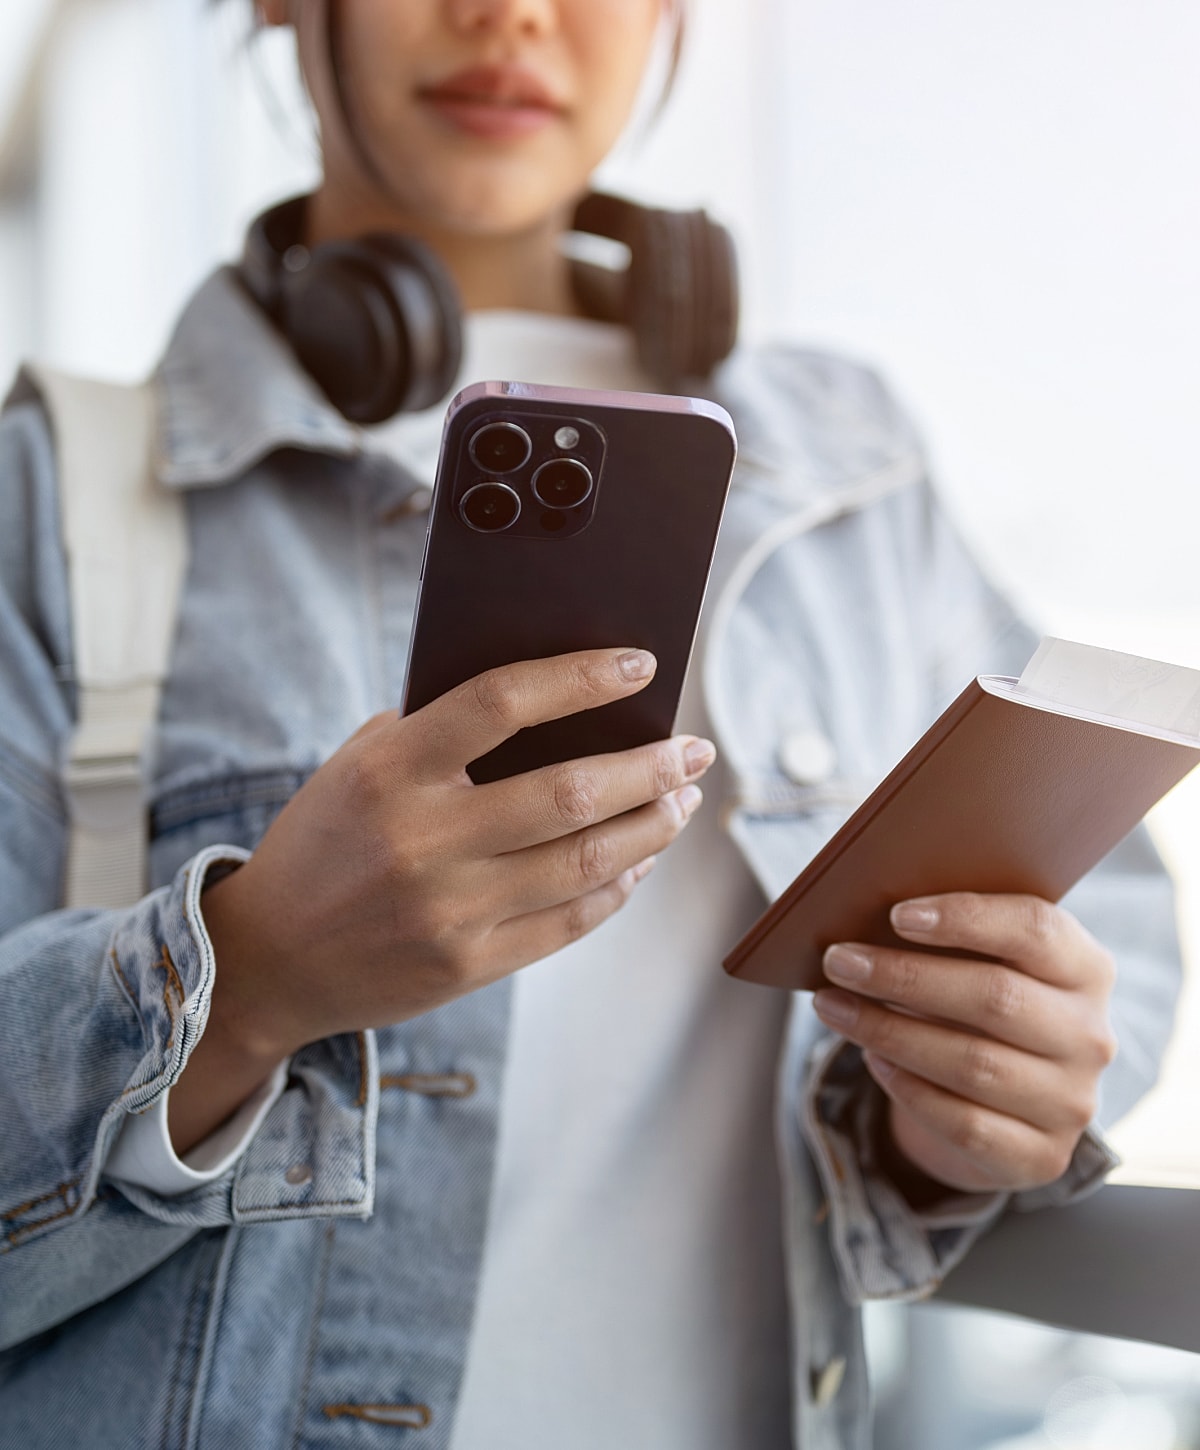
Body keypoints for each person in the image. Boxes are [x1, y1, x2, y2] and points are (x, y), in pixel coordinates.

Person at [0, 2, 1181, 1447]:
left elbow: (1106, 933)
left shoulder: (851, 474)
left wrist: (959, 1121)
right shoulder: (54, 499)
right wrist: (244, 984)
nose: (511, 16)